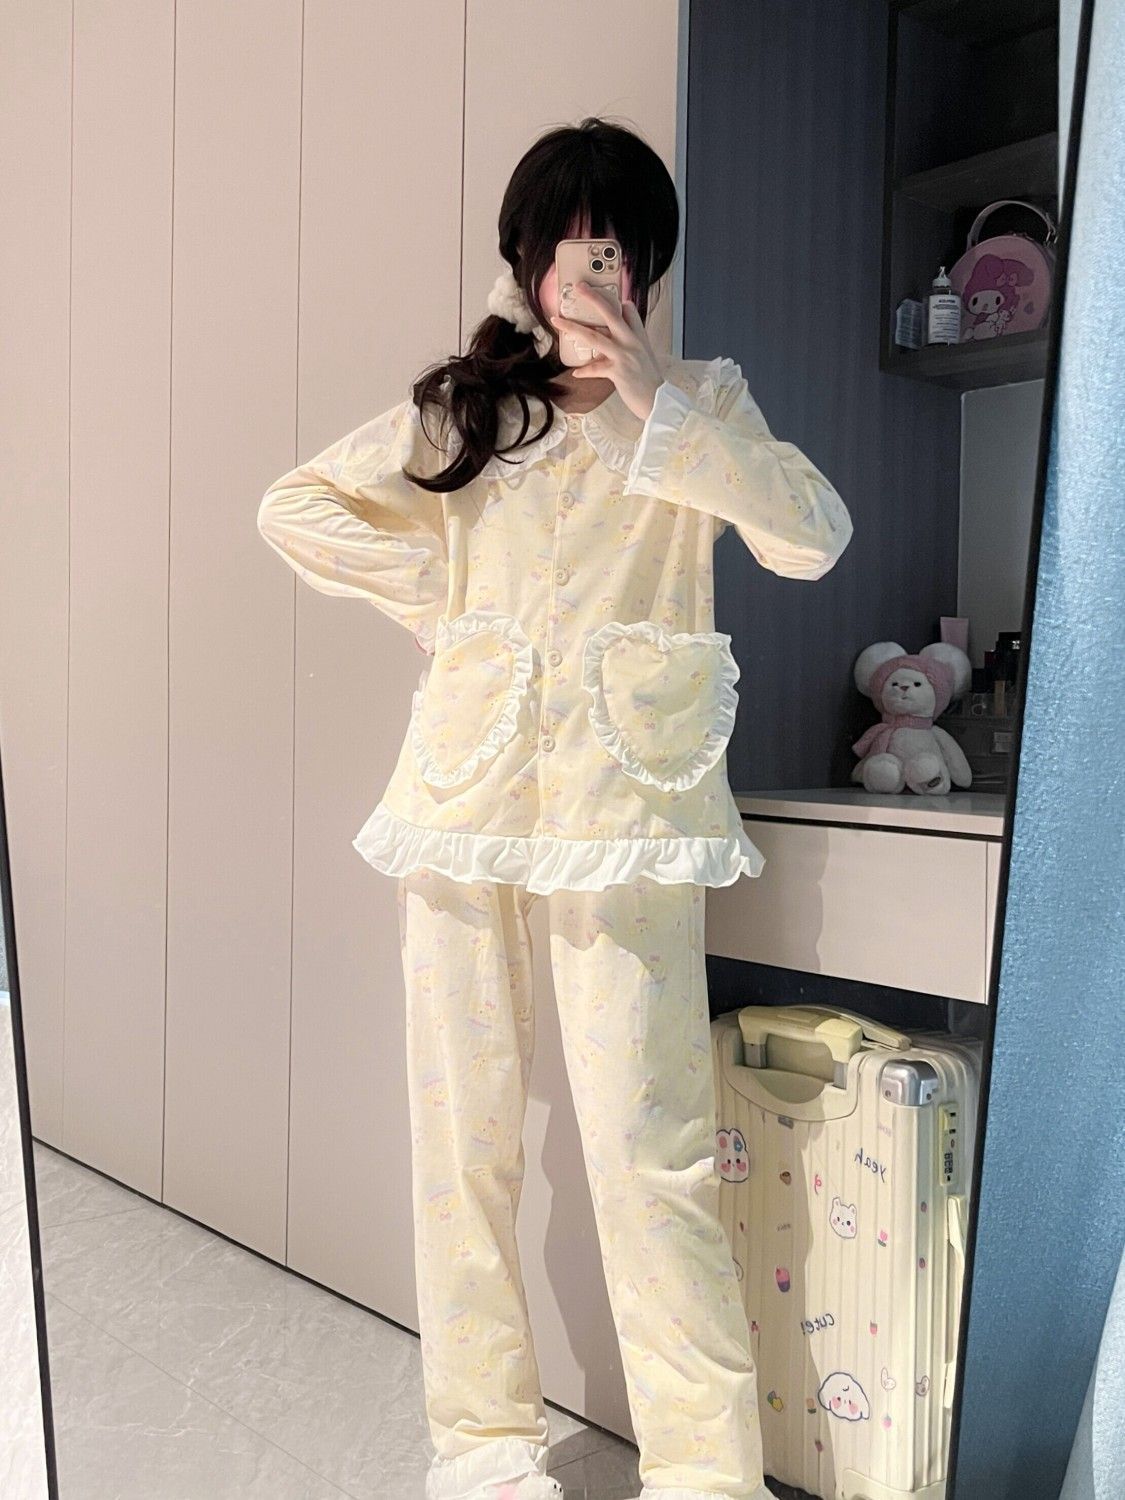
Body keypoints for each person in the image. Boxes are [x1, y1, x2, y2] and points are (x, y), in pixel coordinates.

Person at [257, 116, 852, 1500]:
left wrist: (653, 404)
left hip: (629, 809)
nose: (590, 273)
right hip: (465, 799)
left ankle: (705, 1474)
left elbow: (812, 539)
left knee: (652, 1151)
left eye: (614, 249)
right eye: (565, 249)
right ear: (526, 264)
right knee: (460, 1142)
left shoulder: (698, 402)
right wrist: (448, 610)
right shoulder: (475, 410)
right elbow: (296, 508)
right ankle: (481, 1448)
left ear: (647, 267)